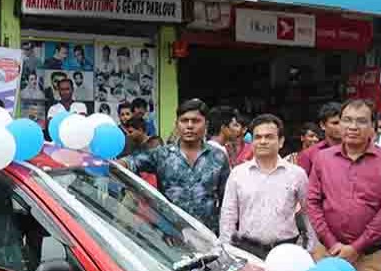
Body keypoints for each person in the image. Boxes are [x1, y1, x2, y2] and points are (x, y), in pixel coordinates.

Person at [308, 99, 381, 271]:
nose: (353, 127)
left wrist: (356, 248)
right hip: (327, 254)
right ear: (340, 123)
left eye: (361, 121)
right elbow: (313, 202)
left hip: (369, 259)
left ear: (373, 127)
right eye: (347, 120)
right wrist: (332, 243)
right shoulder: (323, 159)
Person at [122, 99, 230, 231]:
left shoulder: (218, 157)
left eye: (196, 121)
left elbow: (227, 202)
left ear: (206, 124)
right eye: (184, 121)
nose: (189, 126)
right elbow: (130, 162)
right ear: (177, 124)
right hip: (171, 238)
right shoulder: (162, 154)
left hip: (207, 236)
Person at [219, 115, 315, 260]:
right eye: (258, 137)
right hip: (248, 251)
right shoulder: (238, 174)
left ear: (281, 141)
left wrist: (309, 249)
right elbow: (228, 215)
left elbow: (309, 213)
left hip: (287, 250)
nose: (263, 141)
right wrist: (228, 250)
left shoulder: (297, 174)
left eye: (269, 137)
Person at [298, 102, 343, 176]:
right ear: (322, 125)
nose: (341, 126)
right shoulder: (309, 154)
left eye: (343, 122)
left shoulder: (355, 150)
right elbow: (303, 184)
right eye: (335, 123)